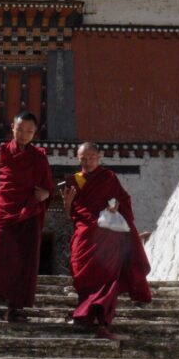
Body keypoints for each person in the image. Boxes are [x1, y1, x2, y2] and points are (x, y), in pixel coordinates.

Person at [61, 142, 152, 340]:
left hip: (107, 237)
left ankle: (103, 322)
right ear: (78, 158)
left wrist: (116, 206)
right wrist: (67, 203)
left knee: (107, 279)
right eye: (83, 158)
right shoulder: (73, 181)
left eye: (91, 157)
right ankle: (85, 315)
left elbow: (123, 202)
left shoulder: (109, 178)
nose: (87, 162)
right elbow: (70, 215)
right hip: (84, 235)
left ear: (99, 157)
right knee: (82, 275)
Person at [0, 111, 54, 321]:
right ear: (12, 128)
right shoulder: (1, 153)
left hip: (29, 214)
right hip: (3, 210)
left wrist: (45, 194)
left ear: (35, 133)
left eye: (29, 131)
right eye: (20, 129)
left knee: (24, 259)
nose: (24, 134)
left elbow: (47, 188)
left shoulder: (39, 157)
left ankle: (16, 307)